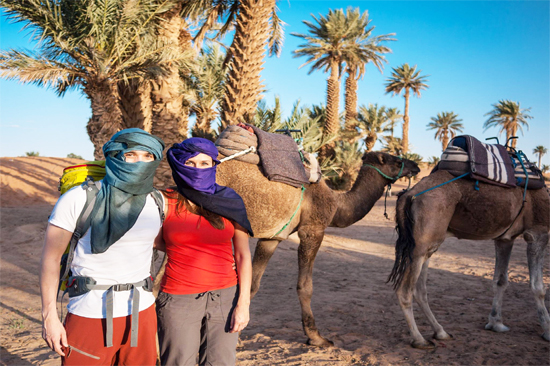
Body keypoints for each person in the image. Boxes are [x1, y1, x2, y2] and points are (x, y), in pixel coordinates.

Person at [40, 128, 165, 365]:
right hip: (90, 312)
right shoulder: (78, 198)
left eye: (148, 156)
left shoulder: (155, 200)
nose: (140, 162)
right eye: (132, 155)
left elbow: (155, 242)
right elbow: (50, 259)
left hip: (142, 312)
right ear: (116, 156)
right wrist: (49, 317)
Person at [156, 137, 253, 366]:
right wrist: (184, 249)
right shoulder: (164, 199)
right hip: (178, 298)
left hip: (225, 297)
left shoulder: (229, 200)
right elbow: (153, 241)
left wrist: (243, 304)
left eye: (204, 163)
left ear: (213, 165)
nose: (198, 169)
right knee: (178, 362)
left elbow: (242, 255)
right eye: (190, 163)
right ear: (179, 165)